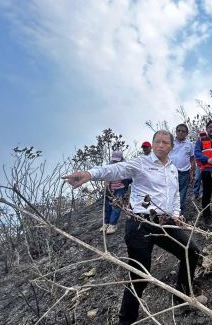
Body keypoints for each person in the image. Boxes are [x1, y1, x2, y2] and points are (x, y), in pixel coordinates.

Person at [62, 130, 200, 325]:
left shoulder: (172, 168)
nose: (161, 145)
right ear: (152, 145)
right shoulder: (140, 163)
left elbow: (176, 194)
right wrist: (89, 174)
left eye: (165, 142)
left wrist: (176, 213)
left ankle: (182, 297)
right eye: (157, 142)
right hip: (140, 224)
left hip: (165, 222)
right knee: (140, 275)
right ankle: (126, 321)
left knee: (191, 252)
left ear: (171, 146)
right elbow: (115, 170)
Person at [102, 151, 131, 234]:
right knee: (107, 206)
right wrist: (106, 182)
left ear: (121, 159)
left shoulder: (126, 166)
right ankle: (106, 223)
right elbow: (105, 174)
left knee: (116, 206)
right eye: (114, 160)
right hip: (110, 188)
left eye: (117, 160)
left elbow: (130, 178)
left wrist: (125, 182)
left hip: (120, 188)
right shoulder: (109, 165)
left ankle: (112, 225)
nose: (116, 162)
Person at [170, 123, 195, 217]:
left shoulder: (190, 144)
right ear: (176, 132)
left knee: (182, 195)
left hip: (184, 173)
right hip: (170, 172)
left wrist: (192, 172)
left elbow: (192, 159)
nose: (180, 133)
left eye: (183, 131)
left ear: (186, 133)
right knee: (170, 192)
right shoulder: (170, 143)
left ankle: (179, 216)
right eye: (179, 130)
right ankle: (168, 214)